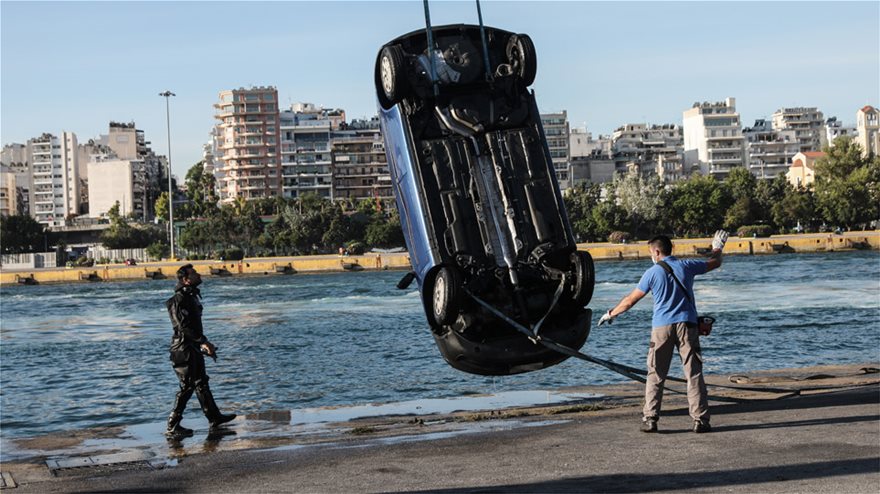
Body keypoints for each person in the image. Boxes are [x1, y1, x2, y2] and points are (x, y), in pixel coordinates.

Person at [598, 230, 728, 434]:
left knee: (656, 374)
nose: (651, 256)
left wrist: (610, 314)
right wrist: (717, 247)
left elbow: (631, 300)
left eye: (651, 252)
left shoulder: (652, 273)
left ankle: (651, 419)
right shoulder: (687, 266)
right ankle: (700, 420)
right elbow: (715, 262)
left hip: (661, 328)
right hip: (687, 325)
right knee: (693, 373)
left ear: (657, 252)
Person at [165, 263, 236, 437]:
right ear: (186, 280)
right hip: (182, 348)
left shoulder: (191, 296)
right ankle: (172, 425)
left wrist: (201, 344)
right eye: (194, 273)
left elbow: (193, 327)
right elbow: (184, 328)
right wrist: (204, 341)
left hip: (192, 347)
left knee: (201, 383)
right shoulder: (179, 300)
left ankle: (214, 418)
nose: (198, 275)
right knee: (187, 386)